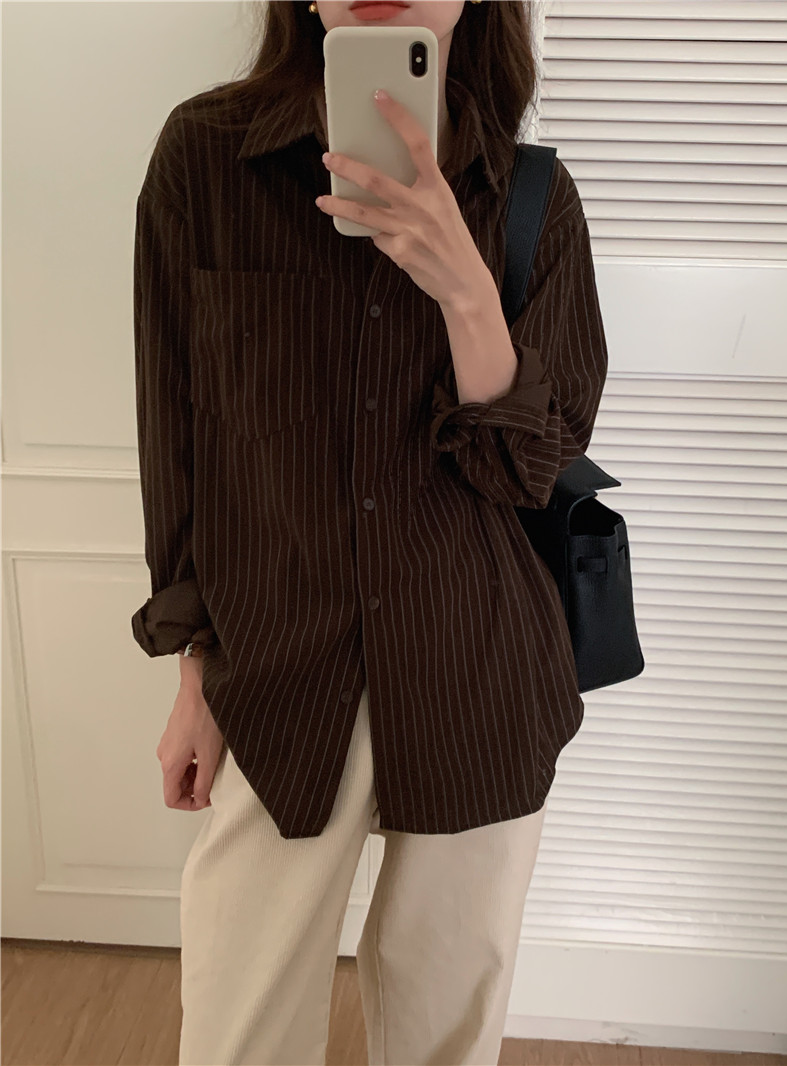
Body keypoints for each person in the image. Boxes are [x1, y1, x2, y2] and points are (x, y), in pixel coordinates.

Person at [131, 1, 609, 1063]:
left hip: (477, 668)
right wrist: (193, 671)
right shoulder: (205, 160)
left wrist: (466, 292)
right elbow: (179, 445)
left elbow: (528, 471)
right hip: (278, 672)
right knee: (237, 1033)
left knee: (445, 1032)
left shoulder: (532, 198)